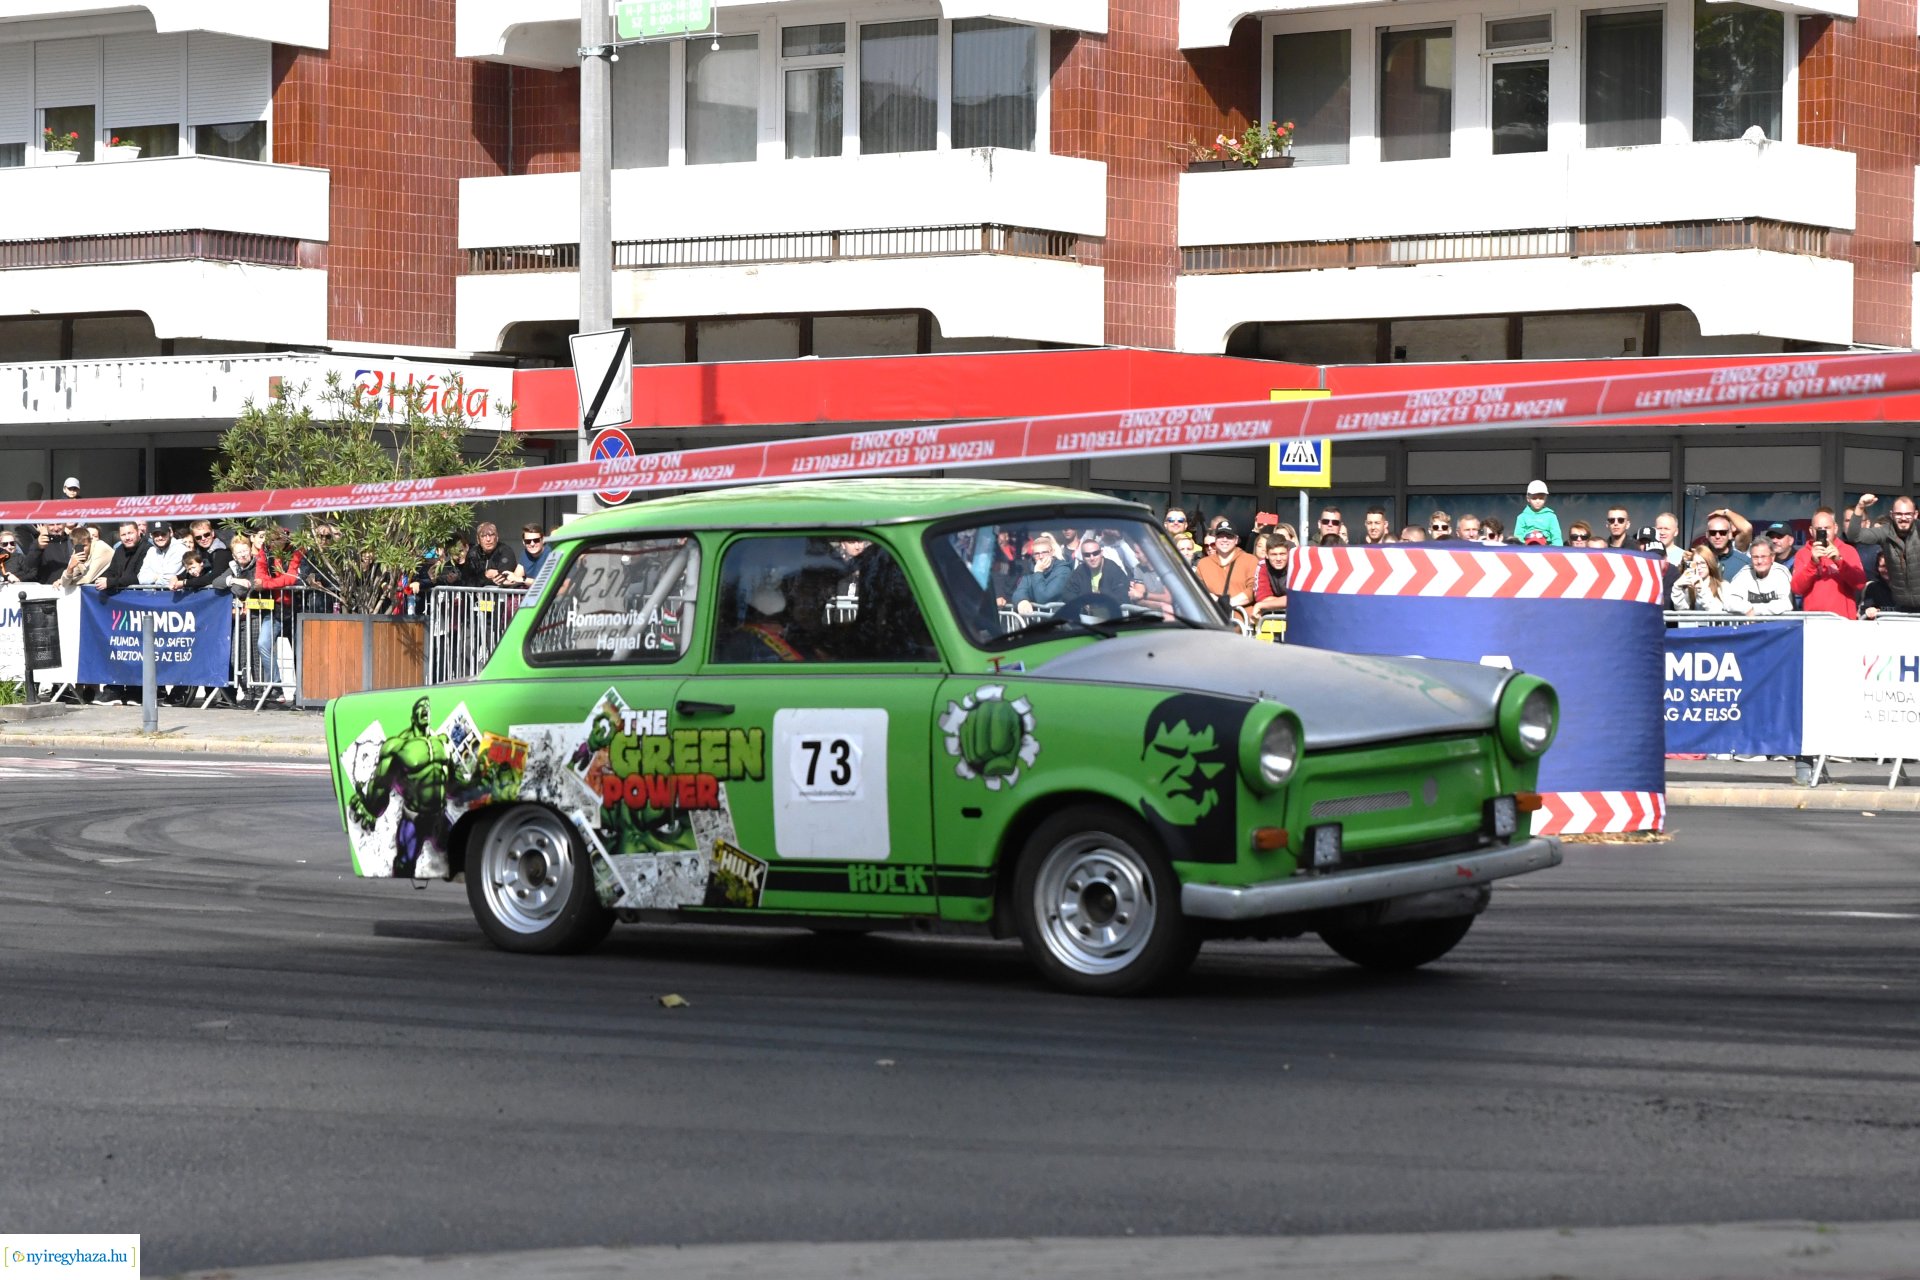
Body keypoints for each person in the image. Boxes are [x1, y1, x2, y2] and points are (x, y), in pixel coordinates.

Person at [1844, 493, 1918, 614]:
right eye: (1898, 514)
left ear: (1915, 515)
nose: (1903, 518)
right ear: (1892, 515)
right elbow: (1854, 536)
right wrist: (1860, 506)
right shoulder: (1886, 532)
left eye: (1908, 514)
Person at [1790, 506, 1864, 619]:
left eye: (1827, 528)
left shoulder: (1848, 550)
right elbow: (1797, 589)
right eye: (1819, 529)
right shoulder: (1803, 553)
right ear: (1811, 531)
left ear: (1835, 528)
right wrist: (1812, 563)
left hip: (1843, 621)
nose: (1823, 532)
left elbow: (1860, 584)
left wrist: (1839, 561)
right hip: (1813, 622)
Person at [1193, 522, 1259, 612]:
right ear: (1215, 540)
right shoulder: (1203, 563)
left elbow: (1253, 589)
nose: (1224, 540)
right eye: (1220, 536)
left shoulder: (1250, 560)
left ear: (1236, 540)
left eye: (1229, 536)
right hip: (1213, 620)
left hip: (1242, 621)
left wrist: (1227, 604)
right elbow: (1198, 590)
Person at [1064, 535, 1144, 605]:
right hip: (1085, 618)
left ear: (1101, 553)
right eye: (1087, 555)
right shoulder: (1080, 571)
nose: (1092, 558)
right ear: (1082, 556)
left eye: (1095, 553)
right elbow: (1068, 593)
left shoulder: (1113, 569)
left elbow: (1123, 595)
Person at [1724, 535, 1792, 616]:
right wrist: (1747, 609)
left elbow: (1786, 604)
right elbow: (1729, 602)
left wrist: (1755, 611)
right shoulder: (1744, 573)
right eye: (1755, 557)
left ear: (1772, 557)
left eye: (1763, 557)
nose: (1759, 561)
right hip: (1751, 626)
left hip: (1777, 626)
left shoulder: (1781, 573)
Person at [1007, 532, 1071, 615]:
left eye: (1044, 552)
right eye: (1037, 554)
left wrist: (1038, 572)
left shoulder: (1063, 571)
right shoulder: (1030, 570)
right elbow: (1019, 591)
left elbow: (1043, 599)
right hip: (1036, 623)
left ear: (1052, 552)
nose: (1041, 557)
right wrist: (1022, 601)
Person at [1670, 546, 1731, 613]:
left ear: (1710, 564)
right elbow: (1682, 612)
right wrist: (1677, 587)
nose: (1699, 567)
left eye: (1702, 563)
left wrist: (1701, 589)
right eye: (1695, 564)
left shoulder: (1723, 586)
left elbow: (1715, 612)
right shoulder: (1690, 588)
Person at [96, 521, 149, 592]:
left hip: (140, 596)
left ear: (138, 532)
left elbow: (137, 577)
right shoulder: (119, 549)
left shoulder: (148, 549)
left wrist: (110, 582)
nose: (127, 537)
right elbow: (112, 571)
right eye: (123, 535)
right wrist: (102, 580)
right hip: (121, 596)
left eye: (130, 533)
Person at [1699, 513, 1750, 579]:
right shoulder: (1696, 561)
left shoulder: (1745, 563)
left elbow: (1747, 529)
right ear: (1707, 535)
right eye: (1713, 533)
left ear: (1730, 535)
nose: (1717, 536)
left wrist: (1726, 512)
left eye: (1722, 532)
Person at [1514, 480, 1564, 546]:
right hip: (1527, 549)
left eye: (1541, 498)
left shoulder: (1551, 516)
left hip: (1547, 550)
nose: (1538, 501)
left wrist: (1557, 552)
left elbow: (1556, 537)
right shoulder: (1522, 517)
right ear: (1528, 498)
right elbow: (1518, 538)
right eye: (1534, 498)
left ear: (1545, 498)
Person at [135, 521, 185, 587]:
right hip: (153, 595)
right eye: (156, 535)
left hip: (176, 595)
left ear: (170, 533)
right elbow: (141, 578)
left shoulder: (180, 549)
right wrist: (157, 577)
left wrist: (154, 578)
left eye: (163, 534)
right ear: (151, 536)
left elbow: (168, 579)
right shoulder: (151, 550)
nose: (160, 538)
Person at [472, 521, 517, 587]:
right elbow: (469, 579)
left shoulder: (505, 551)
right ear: (478, 540)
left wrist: (481, 578)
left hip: (502, 595)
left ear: (497, 537)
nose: (488, 539)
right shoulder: (474, 552)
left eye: (491, 535)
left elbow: (503, 577)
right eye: (483, 536)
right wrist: (486, 575)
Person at [1252, 540, 1289, 616]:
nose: (1278, 559)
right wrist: (1285, 601)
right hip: (1272, 615)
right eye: (1273, 554)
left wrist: (1261, 605)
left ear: (1288, 553)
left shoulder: (1296, 564)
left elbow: (1297, 598)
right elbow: (1262, 598)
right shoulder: (1263, 564)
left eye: (1282, 554)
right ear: (1266, 555)